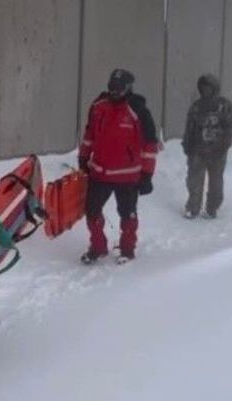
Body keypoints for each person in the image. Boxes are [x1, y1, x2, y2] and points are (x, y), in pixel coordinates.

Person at [78, 68, 159, 265]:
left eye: (119, 88)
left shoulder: (138, 111)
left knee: (127, 214)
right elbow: (89, 134)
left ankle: (127, 249)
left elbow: (150, 146)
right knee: (92, 211)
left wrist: (147, 175)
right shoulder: (98, 107)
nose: (114, 91)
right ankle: (98, 247)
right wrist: (83, 157)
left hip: (128, 177)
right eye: (111, 87)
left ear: (128, 88)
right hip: (99, 172)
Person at [181, 73, 232, 219]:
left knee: (216, 182)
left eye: (208, 88)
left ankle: (212, 207)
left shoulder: (225, 106)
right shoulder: (196, 107)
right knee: (193, 181)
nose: (205, 90)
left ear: (214, 89)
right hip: (197, 151)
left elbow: (231, 128)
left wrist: (224, 145)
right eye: (203, 88)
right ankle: (192, 207)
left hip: (217, 152)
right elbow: (190, 127)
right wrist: (187, 145)